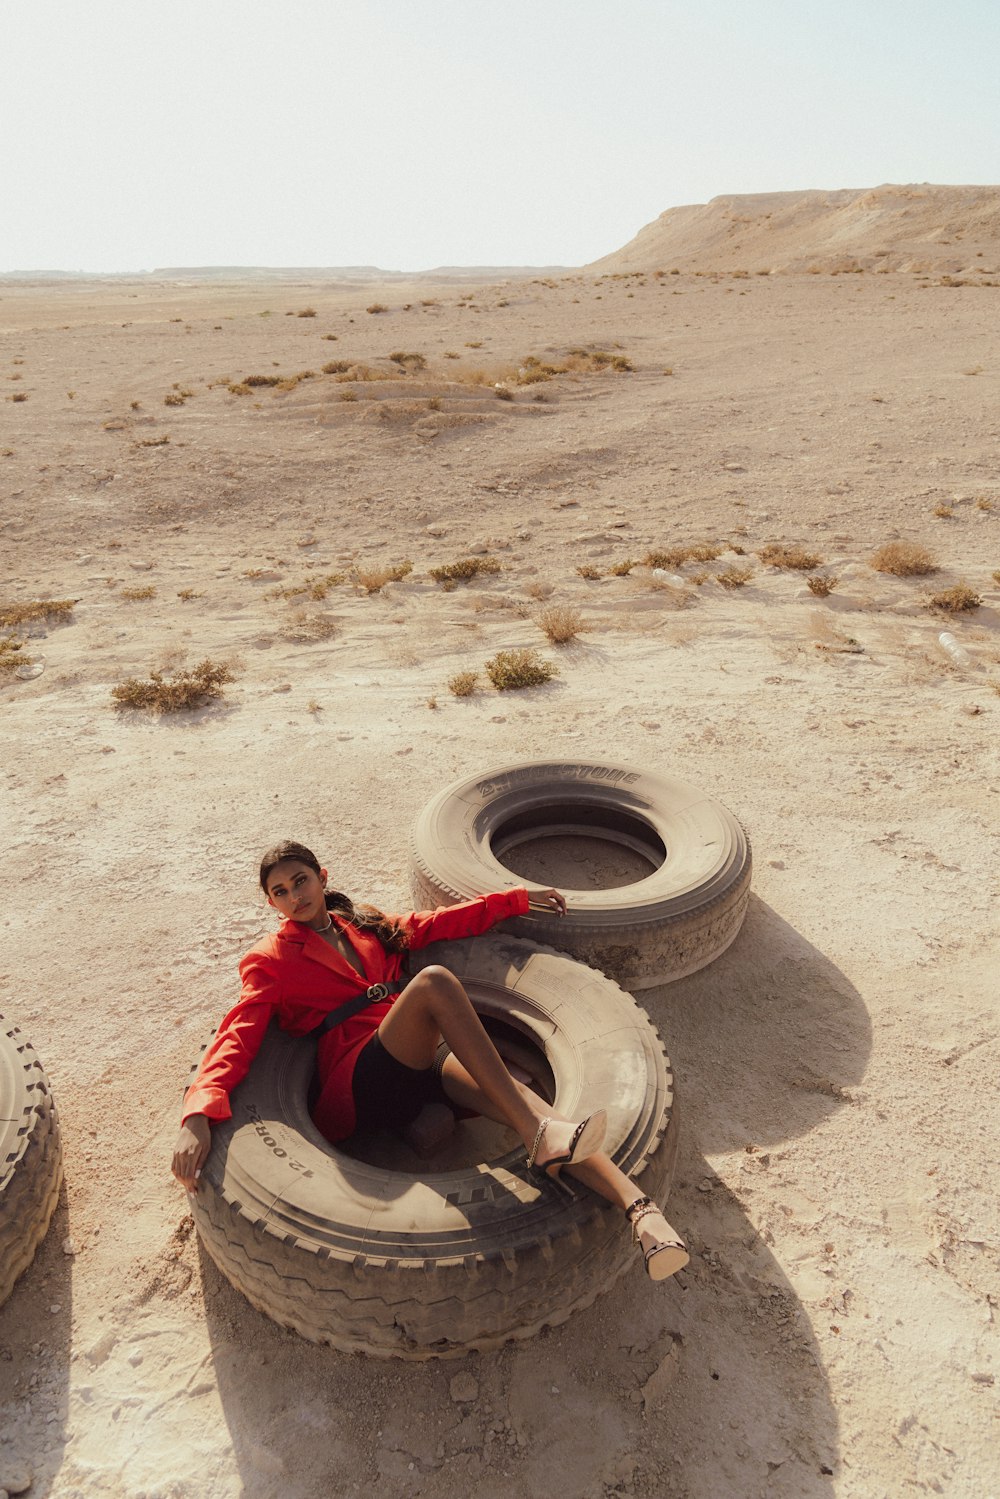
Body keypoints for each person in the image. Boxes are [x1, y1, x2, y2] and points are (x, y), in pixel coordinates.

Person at [171, 840, 688, 1281]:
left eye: (301, 880)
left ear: (322, 876)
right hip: (357, 1081)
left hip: (415, 1067)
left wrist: (514, 900)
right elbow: (238, 1030)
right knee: (435, 984)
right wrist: (199, 1111)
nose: (294, 896)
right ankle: (531, 1133)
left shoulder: (363, 925)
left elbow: (435, 923)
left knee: (521, 1096)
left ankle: (643, 1215)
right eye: (280, 892)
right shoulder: (271, 960)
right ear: (271, 903)